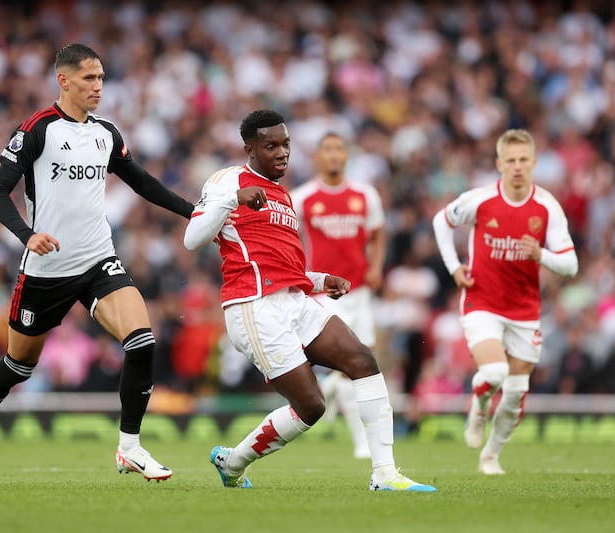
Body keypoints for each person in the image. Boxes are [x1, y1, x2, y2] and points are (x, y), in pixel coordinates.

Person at [0, 43, 196, 484]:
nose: (98, 86)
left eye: (101, 77)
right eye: (89, 78)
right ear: (63, 80)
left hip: (98, 258)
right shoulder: (36, 130)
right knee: (18, 365)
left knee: (142, 341)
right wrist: (29, 235)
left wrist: (194, 212)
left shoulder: (106, 132)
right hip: (46, 269)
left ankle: (130, 448)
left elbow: (142, 183)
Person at [184, 109, 435, 492]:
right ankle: (233, 462)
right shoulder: (228, 180)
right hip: (254, 306)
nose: (283, 152)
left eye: (285, 144)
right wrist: (231, 200)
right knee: (312, 407)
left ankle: (384, 474)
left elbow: (285, 263)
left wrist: (319, 280)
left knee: (363, 361)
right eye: (271, 146)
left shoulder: (283, 194)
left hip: (295, 300)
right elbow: (192, 238)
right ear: (249, 148)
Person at [432, 129, 578, 475]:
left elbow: (570, 265)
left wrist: (540, 254)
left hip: (525, 311)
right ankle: (479, 405)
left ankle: (491, 456)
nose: (516, 167)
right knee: (495, 371)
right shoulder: (481, 200)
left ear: (534, 163)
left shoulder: (546, 206)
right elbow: (442, 220)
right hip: (482, 302)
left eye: (523, 160)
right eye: (510, 161)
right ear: (499, 164)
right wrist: (454, 268)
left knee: (515, 394)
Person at [289, 132, 386, 459]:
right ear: (317, 156)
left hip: (359, 290)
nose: (333, 155)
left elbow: (378, 235)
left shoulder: (365, 195)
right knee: (352, 363)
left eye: (339, 149)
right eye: (327, 149)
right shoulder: (302, 198)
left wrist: (376, 266)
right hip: (325, 294)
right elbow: (289, 238)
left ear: (346, 156)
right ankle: (361, 441)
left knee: (362, 362)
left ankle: (332, 390)